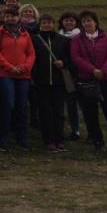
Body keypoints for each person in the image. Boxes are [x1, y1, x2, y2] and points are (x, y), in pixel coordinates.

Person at [71, 10, 107, 157]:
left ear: (95, 22)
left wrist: (104, 71)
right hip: (86, 80)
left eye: (89, 20)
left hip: (105, 80)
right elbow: (76, 57)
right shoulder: (77, 39)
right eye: (84, 21)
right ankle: (98, 143)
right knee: (90, 114)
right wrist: (92, 70)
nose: (87, 23)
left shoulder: (106, 37)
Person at [0, 6, 35, 152]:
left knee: (22, 107)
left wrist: (24, 67)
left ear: (18, 18)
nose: (10, 18)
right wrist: (9, 67)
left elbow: (31, 53)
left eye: (13, 16)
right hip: (5, 74)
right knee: (8, 105)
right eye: (7, 16)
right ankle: (3, 139)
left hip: (23, 75)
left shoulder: (25, 33)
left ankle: (21, 139)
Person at [31, 14, 72, 152]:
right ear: (40, 24)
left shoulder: (63, 40)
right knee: (44, 112)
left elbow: (70, 58)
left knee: (58, 111)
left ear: (54, 24)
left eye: (49, 22)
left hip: (58, 82)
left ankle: (59, 138)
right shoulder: (34, 39)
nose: (47, 25)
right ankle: (48, 139)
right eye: (44, 22)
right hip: (41, 82)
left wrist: (63, 62)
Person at [58, 11, 82, 140]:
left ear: (76, 22)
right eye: (66, 20)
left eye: (71, 20)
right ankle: (75, 130)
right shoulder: (58, 36)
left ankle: (82, 130)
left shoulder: (80, 36)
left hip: (79, 72)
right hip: (65, 73)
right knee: (70, 102)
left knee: (82, 103)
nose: (68, 22)